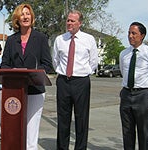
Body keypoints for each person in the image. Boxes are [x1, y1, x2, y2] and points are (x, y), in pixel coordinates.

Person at [0, 3, 53, 150]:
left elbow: (47, 65)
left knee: (31, 129)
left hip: (35, 90)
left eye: (28, 14)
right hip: (14, 92)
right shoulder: (11, 40)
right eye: (22, 14)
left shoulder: (41, 38)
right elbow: (4, 65)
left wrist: (30, 73)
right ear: (17, 18)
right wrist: (15, 71)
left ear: (32, 17)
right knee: (15, 128)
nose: (25, 17)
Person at [53, 10, 98, 149]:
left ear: (80, 23)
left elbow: (93, 61)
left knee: (82, 118)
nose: (69, 23)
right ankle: (62, 147)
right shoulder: (60, 39)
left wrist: (83, 73)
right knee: (63, 118)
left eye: (72, 21)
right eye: (68, 20)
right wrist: (63, 73)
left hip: (81, 82)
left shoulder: (89, 39)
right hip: (63, 82)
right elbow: (56, 60)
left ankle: (80, 147)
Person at [119, 22, 148, 150]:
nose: (130, 36)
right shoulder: (123, 54)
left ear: (142, 35)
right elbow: (123, 72)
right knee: (127, 131)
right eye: (129, 33)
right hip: (126, 94)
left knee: (143, 131)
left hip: (143, 95)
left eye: (134, 33)